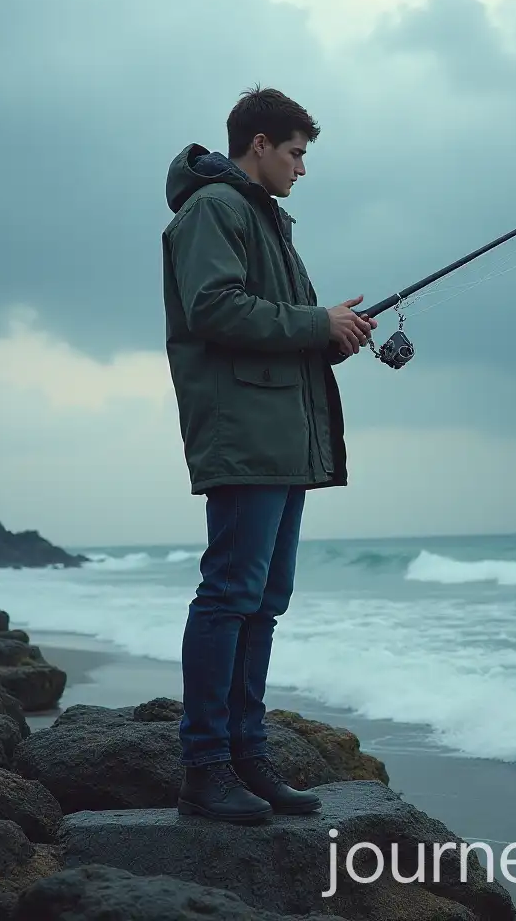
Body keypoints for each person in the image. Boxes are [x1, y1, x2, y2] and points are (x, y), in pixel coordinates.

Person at [160, 86, 376, 822]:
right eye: (295, 152)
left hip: (281, 436)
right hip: (245, 434)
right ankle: (206, 767)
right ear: (259, 144)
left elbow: (285, 332)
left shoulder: (268, 222)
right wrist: (318, 322)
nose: (301, 168)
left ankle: (247, 758)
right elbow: (214, 309)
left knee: (264, 602)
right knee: (229, 596)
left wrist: (334, 333)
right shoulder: (214, 210)